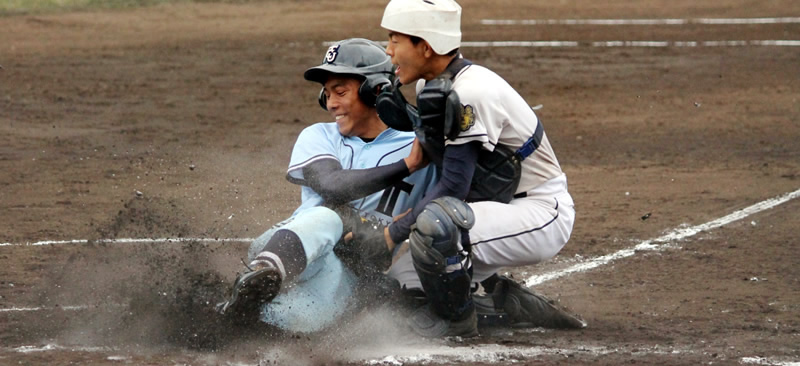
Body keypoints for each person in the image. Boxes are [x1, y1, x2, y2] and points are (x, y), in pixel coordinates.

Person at [372, 0, 587, 337]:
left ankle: (458, 324)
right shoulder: (430, 87)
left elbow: (454, 186)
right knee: (406, 288)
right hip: (493, 208)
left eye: (395, 40)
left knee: (435, 229)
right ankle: (504, 304)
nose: (389, 51)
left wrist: (392, 234)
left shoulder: (472, 91)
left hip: (539, 212)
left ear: (425, 47)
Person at [215, 38, 435, 333]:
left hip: (345, 274)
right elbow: (333, 186)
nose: (330, 103)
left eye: (340, 91)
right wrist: (407, 166)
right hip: (292, 249)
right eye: (327, 93)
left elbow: (458, 192)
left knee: (283, 326)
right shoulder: (319, 136)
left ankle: (226, 315)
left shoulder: (418, 145)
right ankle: (260, 275)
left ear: (376, 91)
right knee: (330, 216)